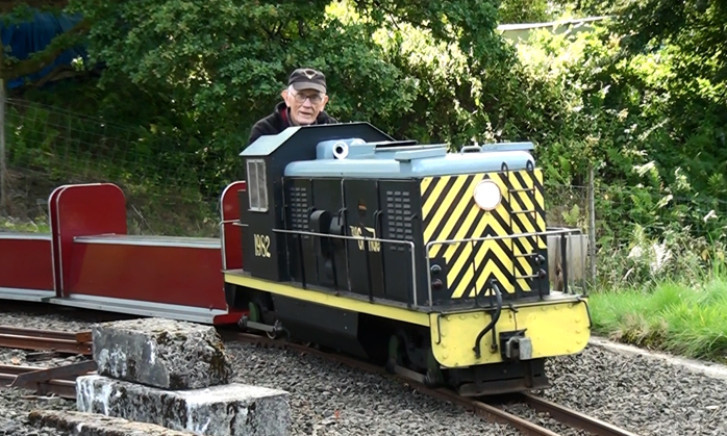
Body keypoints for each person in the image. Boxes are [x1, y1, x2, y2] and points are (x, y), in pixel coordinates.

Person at [247, 68, 338, 145]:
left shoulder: (333, 130)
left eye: (314, 98)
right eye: (300, 96)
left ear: (323, 103)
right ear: (286, 98)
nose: (307, 105)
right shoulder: (265, 130)